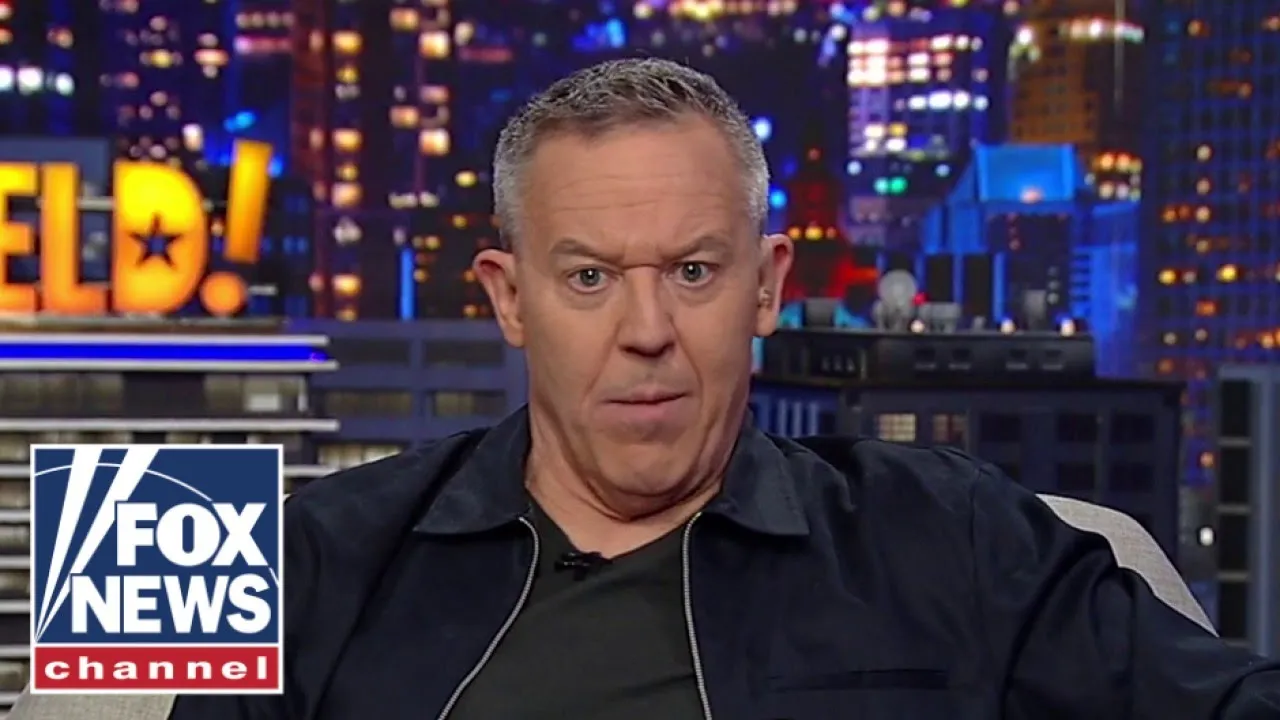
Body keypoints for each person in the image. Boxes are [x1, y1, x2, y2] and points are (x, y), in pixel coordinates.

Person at [169, 58, 1280, 720]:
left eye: (694, 272)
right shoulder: (309, 555)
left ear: (767, 286)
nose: (647, 331)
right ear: (509, 298)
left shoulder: (954, 537)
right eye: (589, 278)